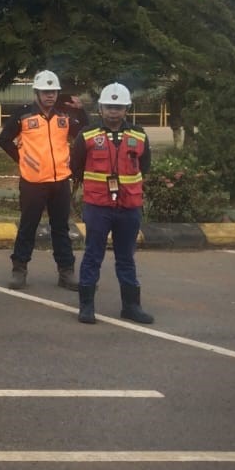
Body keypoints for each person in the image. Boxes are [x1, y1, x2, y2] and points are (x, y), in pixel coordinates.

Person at [71, 83, 154, 325]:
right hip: (98, 206)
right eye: (109, 106)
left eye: (118, 107)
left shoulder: (139, 135)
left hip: (129, 207)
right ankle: (86, 307)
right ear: (100, 108)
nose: (113, 111)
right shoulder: (87, 135)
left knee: (126, 258)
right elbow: (75, 167)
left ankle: (131, 306)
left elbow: (145, 166)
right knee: (93, 255)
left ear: (127, 109)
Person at [0, 70, 88, 291]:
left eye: (53, 92)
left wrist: (82, 111)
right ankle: (19, 270)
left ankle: (66, 272)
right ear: (36, 93)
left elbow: (85, 134)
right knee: (28, 227)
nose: (50, 96)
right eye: (46, 92)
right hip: (33, 182)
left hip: (60, 182)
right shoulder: (23, 114)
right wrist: (22, 159)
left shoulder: (64, 116)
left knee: (61, 228)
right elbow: (4, 139)